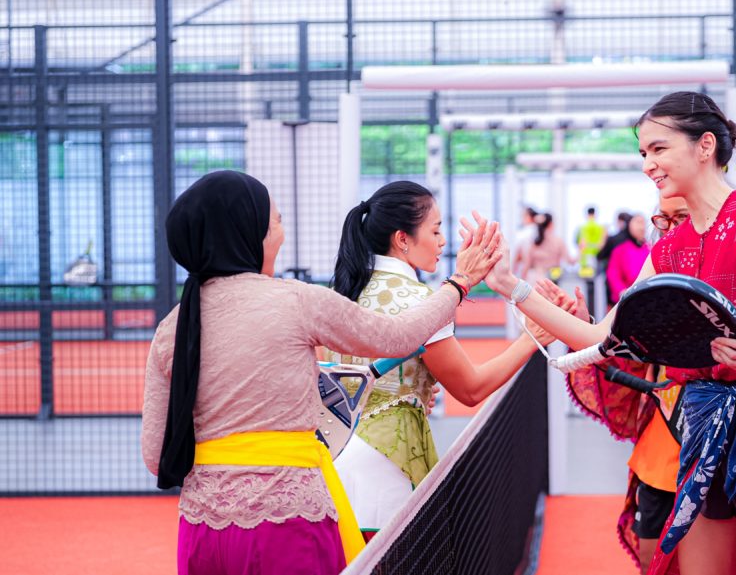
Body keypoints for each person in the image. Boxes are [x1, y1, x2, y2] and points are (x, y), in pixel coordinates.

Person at [475, 91, 736, 575]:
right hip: (703, 429)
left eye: (658, 149)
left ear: (705, 145)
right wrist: (506, 284)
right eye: (643, 152)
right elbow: (597, 339)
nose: (648, 163)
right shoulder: (668, 250)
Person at [140, 171, 500, 575]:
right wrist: (461, 281)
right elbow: (399, 336)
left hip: (201, 528)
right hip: (286, 520)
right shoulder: (295, 301)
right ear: (249, 234)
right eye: (275, 221)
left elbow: (156, 456)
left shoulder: (172, 327)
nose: (282, 231)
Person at [540, 189, 736, 574]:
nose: (669, 230)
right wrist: (584, 324)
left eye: (681, 218)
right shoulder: (660, 269)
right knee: (658, 555)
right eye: (661, 220)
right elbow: (622, 345)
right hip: (673, 441)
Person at [327, 181, 562, 542]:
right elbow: (470, 388)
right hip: (388, 463)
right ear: (402, 239)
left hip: (338, 457)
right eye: (435, 230)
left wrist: (415, 388)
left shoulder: (345, 289)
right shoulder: (420, 300)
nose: (442, 241)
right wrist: (532, 338)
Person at [605, 213, 650, 305]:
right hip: (626, 299)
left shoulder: (651, 249)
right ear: (630, 225)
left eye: (643, 223)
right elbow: (613, 274)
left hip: (648, 297)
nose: (641, 227)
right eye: (638, 222)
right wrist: (622, 291)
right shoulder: (620, 250)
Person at [521, 212, 574, 284]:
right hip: (552, 282)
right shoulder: (558, 241)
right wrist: (581, 250)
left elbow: (527, 265)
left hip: (535, 282)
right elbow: (570, 261)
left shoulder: (534, 243)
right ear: (551, 224)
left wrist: (520, 285)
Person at [576, 206, 607, 279]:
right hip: (597, 256)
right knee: (595, 280)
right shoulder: (600, 227)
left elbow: (581, 243)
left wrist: (578, 257)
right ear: (595, 214)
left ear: (587, 214)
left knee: (587, 281)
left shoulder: (583, 227)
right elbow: (602, 243)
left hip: (585, 257)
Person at [511, 205, 538, 276]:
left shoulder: (525, 233)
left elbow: (520, 253)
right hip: (537, 270)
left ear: (529, 217)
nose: (522, 218)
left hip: (525, 269)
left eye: (523, 216)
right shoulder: (538, 231)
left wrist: (513, 270)